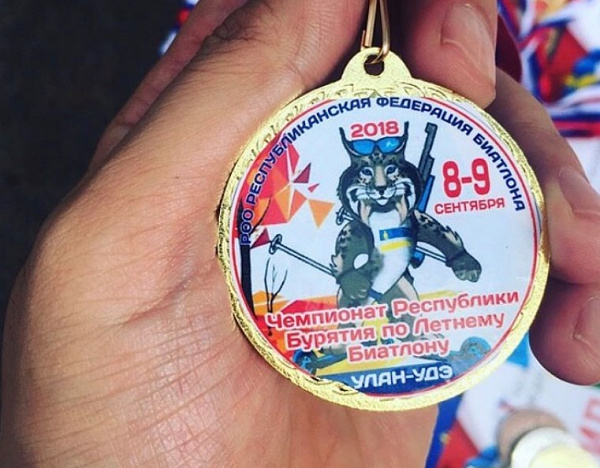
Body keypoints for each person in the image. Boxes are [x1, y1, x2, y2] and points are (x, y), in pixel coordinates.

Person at [2, 1, 600, 466]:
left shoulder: (407, 212)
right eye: (368, 181)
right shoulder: (352, 227)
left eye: (392, 178)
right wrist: (356, 278)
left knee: (408, 304)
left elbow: (436, 233)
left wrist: (461, 258)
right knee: (362, 303)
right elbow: (348, 261)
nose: (382, 187)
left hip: (401, 297)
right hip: (361, 289)